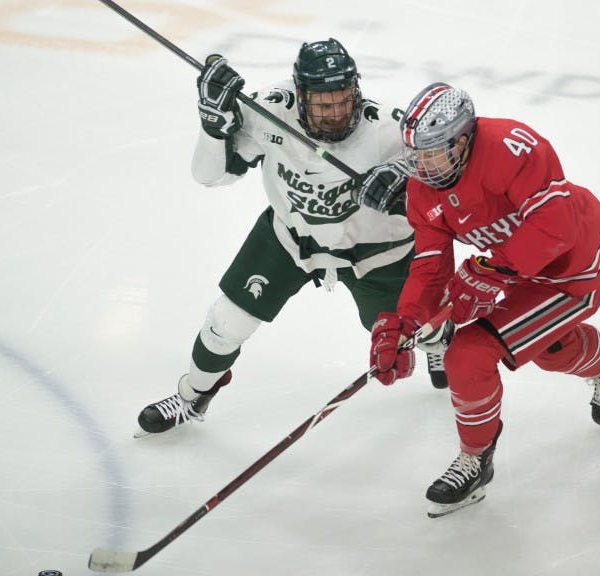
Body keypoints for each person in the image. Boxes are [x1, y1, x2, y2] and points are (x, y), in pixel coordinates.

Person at [135, 39, 450, 437]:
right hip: (290, 236)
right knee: (227, 320)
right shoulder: (269, 110)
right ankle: (191, 396)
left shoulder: (391, 130)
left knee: (410, 328)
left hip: (377, 253)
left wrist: (407, 185)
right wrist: (213, 127)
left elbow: (443, 195)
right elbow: (211, 175)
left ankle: (437, 344)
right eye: (323, 105)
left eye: (342, 101)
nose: (336, 114)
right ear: (300, 96)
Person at [366, 82, 600, 517]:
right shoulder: (423, 188)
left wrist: (494, 271)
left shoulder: (512, 146)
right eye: (415, 155)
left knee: (466, 353)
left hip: (571, 268)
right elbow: (431, 265)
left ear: (463, 139)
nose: (422, 166)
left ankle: (475, 460)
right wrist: (406, 321)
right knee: (549, 349)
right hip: (511, 267)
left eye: (433, 152)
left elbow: (556, 227)